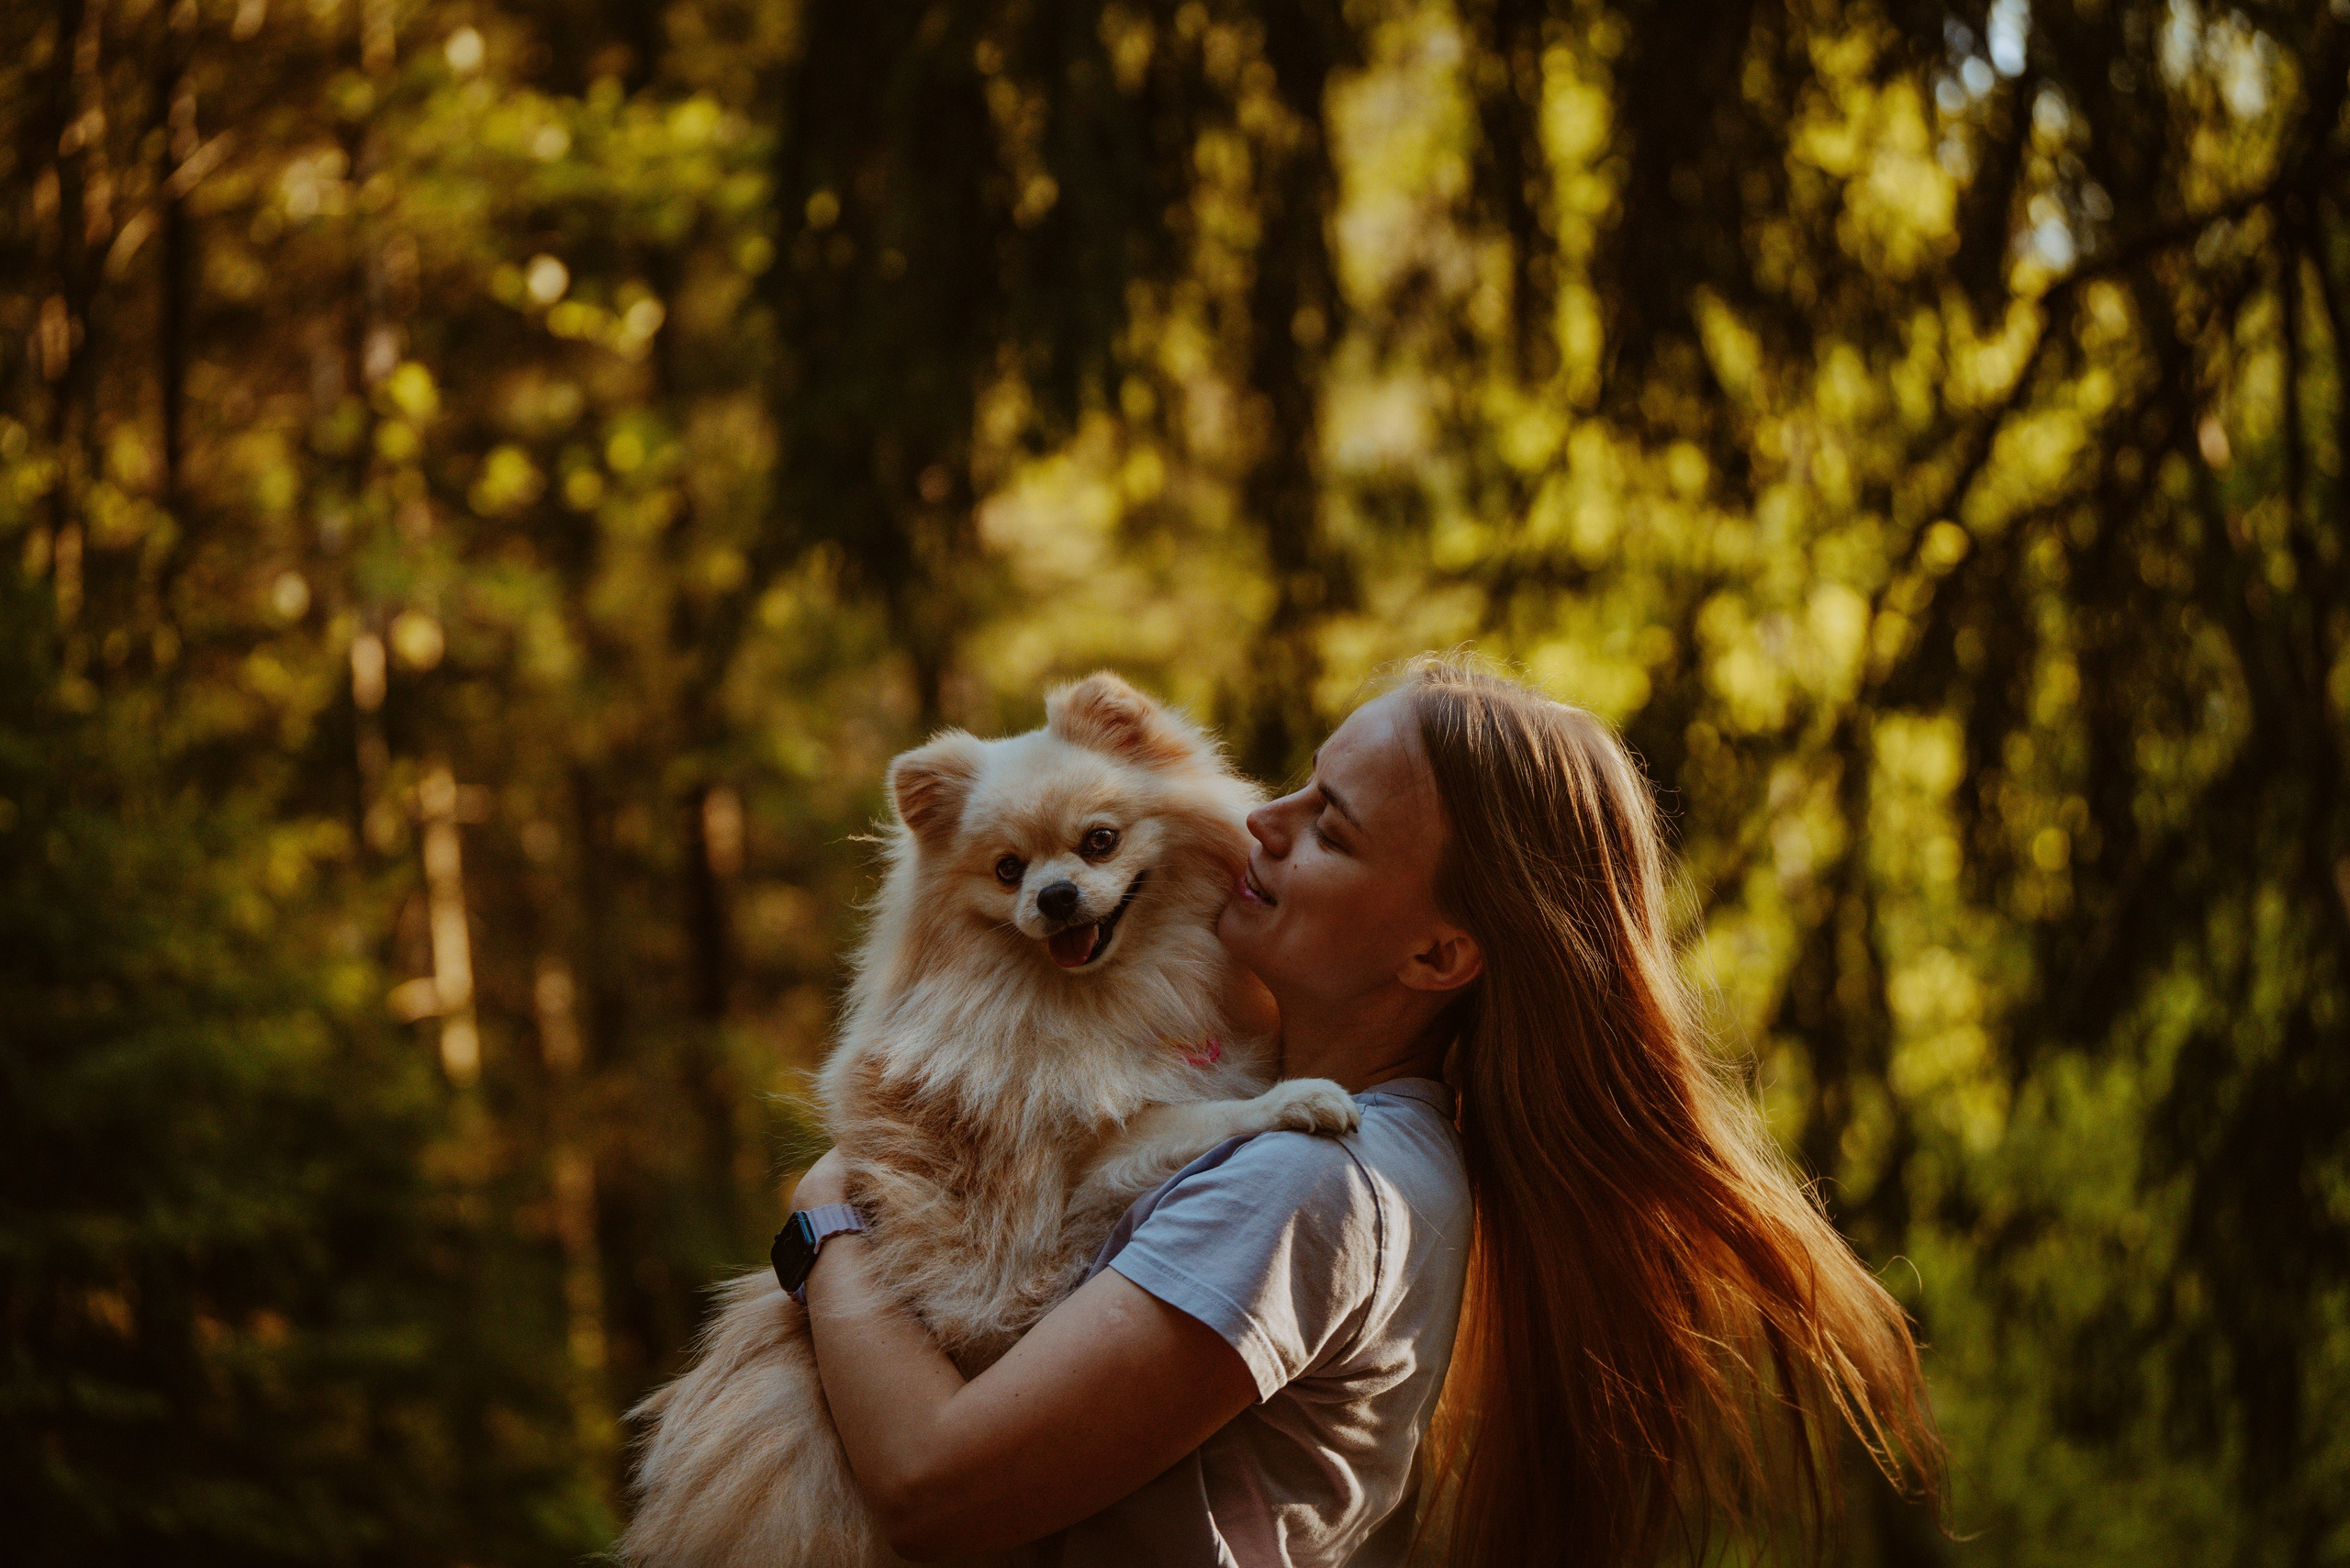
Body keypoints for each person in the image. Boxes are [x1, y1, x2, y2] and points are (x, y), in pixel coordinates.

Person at [788, 654, 1942, 1567]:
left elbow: (931, 1488)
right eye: (1297, 784)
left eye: (1329, 827)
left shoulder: (1307, 1176)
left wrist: (827, 1212)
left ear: (1437, 953)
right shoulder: (1371, 1143)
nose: (1262, 821)